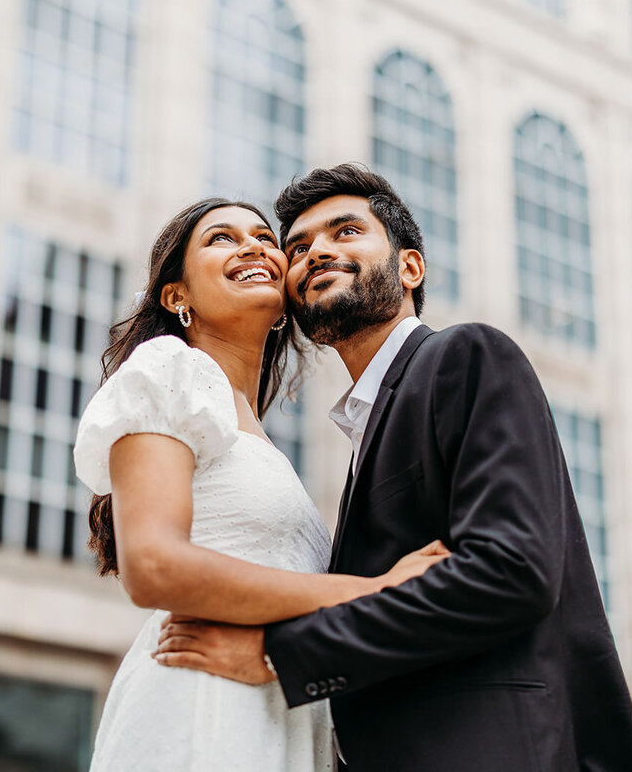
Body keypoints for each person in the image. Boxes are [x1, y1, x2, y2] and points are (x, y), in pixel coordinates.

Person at [154, 165, 632, 771]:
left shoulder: (466, 356)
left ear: (410, 268)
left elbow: (512, 570)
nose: (317, 253)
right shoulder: (364, 430)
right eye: (300, 247)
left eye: (345, 232)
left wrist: (279, 655)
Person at [72, 197, 449, 771]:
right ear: (177, 296)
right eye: (220, 238)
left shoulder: (262, 438)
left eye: (265, 238)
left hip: (282, 717)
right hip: (201, 707)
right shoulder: (170, 369)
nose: (254, 247)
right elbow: (155, 567)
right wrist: (372, 591)